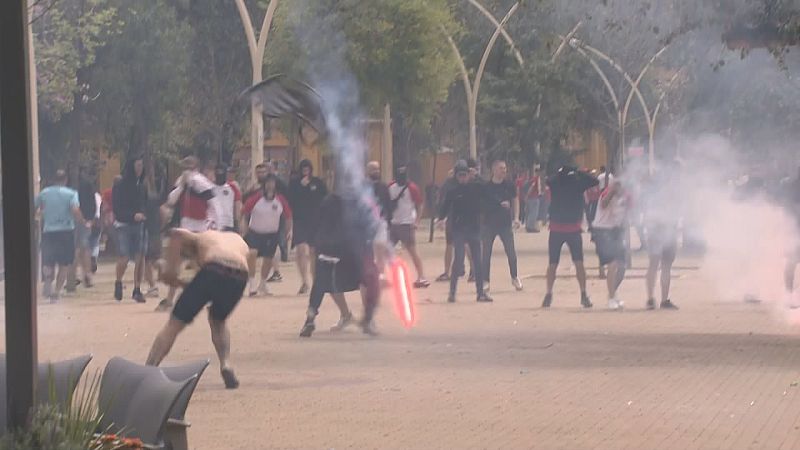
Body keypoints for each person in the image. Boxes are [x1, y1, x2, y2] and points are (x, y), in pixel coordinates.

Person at [145, 229, 249, 389]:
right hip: (240, 275)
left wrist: (170, 272)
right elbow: (207, 284)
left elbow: (176, 233)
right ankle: (226, 364)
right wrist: (180, 282)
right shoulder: (236, 241)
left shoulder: (201, 236)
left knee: (174, 324)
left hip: (214, 268)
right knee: (218, 321)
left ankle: (148, 371)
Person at [299, 184, 383, 337]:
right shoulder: (354, 202)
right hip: (346, 248)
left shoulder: (330, 201)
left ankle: (310, 319)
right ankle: (367, 319)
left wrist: (314, 244)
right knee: (366, 280)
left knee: (322, 283)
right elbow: (368, 226)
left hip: (331, 248)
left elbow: (317, 224)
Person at [156, 157, 221, 311]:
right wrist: (182, 186)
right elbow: (171, 200)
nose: (187, 170)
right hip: (185, 228)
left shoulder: (202, 183)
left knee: (200, 265)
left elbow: (214, 204)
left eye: (190, 167)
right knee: (176, 264)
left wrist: (216, 225)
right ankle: (170, 299)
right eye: (185, 167)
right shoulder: (182, 182)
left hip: (200, 229)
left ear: (196, 168)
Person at [542, 166, 598, 308]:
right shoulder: (578, 183)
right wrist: (579, 172)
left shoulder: (556, 182)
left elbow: (549, 179)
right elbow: (594, 180)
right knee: (578, 262)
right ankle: (583, 294)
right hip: (571, 229)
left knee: (553, 263)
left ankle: (549, 293)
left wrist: (561, 172)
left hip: (558, 228)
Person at [437, 161, 492, 303]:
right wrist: (440, 219)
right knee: (459, 259)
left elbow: (488, 189)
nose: (462, 178)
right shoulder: (452, 190)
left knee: (477, 261)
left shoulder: (476, 187)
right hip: (459, 228)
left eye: (465, 175)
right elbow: (444, 206)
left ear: (469, 175)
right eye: (460, 175)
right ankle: (452, 293)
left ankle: (480, 293)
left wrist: (477, 176)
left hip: (474, 228)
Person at [35, 170, 85, 303]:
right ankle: (56, 292)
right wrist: (82, 221)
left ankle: (48, 280)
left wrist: (39, 216)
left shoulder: (44, 193)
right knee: (64, 264)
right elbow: (75, 210)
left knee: (48, 261)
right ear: (65, 180)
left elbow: (34, 207)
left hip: (49, 231)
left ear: (53, 179)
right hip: (66, 231)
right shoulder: (71, 194)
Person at [241, 175, 293, 296]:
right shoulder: (256, 198)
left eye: (272, 183)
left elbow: (288, 216)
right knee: (252, 254)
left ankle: (263, 284)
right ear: (264, 185)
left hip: (271, 233)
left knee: (268, 259)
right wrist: (243, 228)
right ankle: (252, 283)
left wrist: (289, 230)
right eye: (268, 183)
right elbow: (244, 212)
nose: (270, 186)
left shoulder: (280, 199)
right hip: (255, 232)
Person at [482, 159, 523, 293]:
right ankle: (485, 280)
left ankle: (514, 277)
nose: (504, 171)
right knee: (486, 253)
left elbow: (515, 200)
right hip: (489, 224)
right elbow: (482, 204)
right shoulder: (486, 187)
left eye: (505, 168)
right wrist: (498, 205)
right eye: (501, 168)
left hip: (505, 224)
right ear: (494, 170)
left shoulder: (509, 185)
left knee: (511, 252)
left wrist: (516, 217)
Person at [287, 159, 328, 294]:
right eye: (303, 168)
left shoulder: (318, 182)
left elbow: (326, 198)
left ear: (311, 169)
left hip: (315, 221)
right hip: (300, 221)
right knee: (301, 250)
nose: (305, 170)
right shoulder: (294, 184)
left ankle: (315, 280)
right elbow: (290, 200)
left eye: (307, 168)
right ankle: (305, 281)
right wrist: (301, 187)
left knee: (313, 252)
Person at [644, 164, 680, 310]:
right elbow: (650, 216)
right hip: (657, 232)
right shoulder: (656, 197)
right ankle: (651, 298)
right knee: (655, 264)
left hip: (668, 232)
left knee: (665, 266)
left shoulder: (672, 197)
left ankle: (663, 299)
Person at [112, 157, 147, 303]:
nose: (140, 168)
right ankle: (118, 282)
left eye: (141, 165)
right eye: (137, 165)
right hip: (124, 225)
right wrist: (132, 215)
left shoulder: (142, 186)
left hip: (140, 225)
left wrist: (144, 214)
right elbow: (117, 208)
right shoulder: (120, 185)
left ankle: (137, 289)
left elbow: (145, 203)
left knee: (140, 257)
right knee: (124, 258)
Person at [591, 179, 630, 310]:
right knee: (612, 264)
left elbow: (625, 215)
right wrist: (612, 192)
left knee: (622, 266)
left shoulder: (625, 197)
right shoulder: (606, 193)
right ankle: (611, 298)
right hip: (602, 230)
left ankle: (612, 292)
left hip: (615, 231)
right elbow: (603, 204)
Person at [388, 166, 430, 288]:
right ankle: (387, 276)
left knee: (412, 251)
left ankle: (421, 276)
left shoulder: (412, 188)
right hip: (394, 223)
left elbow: (420, 204)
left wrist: (417, 221)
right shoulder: (391, 186)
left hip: (406, 223)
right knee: (386, 251)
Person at [73, 168, 98, 289]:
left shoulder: (70, 184)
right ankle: (86, 274)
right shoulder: (87, 184)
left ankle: (75, 275)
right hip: (85, 219)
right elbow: (92, 202)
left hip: (72, 220)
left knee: (77, 248)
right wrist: (90, 218)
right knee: (84, 247)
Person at [212, 163, 242, 233]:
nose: (220, 174)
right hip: (213, 224)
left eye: (222, 172)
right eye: (218, 172)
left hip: (228, 223)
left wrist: (237, 222)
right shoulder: (209, 187)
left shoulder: (232, 187)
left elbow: (237, 205)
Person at [525, 166, 543, 232]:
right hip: (534, 198)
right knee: (534, 213)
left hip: (531, 198)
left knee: (530, 212)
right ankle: (530, 227)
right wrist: (528, 195)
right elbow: (532, 187)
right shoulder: (536, 178)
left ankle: (528, 226)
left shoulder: (532, 178)